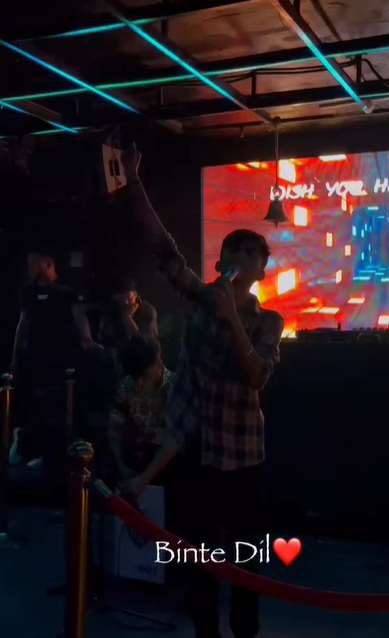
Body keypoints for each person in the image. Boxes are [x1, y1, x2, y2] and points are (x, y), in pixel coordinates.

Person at [120, 145, 284, 638]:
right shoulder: (198, 298)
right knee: (197, 554)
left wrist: (232, 317)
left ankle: (245, 631)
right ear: (220, 262)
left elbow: (256, 376)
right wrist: (132, 178)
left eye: (250, 254)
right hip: (197, 454)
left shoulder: (270, 321)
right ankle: (205, 631)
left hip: (243, 456)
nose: (239, 258)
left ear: (261, 271)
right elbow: (163, 247)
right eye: (232, 251)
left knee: (246, 556)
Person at [10, 247, 91, 469]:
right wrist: (15, 355)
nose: (30, 268)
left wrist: (86, 340)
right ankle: (25, 446)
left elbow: (79, 316)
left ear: (48, 263)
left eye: (34, 263)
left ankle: (50, 455)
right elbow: (22, 324)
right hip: (32, 359)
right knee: (32, 406)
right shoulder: (29, 292)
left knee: (55, 408)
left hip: (57, 361)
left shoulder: (65, 291)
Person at [108, 336, 175, 483]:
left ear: (158, 361)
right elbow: (114, 431)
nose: (139, 383)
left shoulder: (176, 389)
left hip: (169, 468)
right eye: (135, 377)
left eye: (144, 376)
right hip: (132, 466)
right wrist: (121, 468)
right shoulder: (126, 387)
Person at [98, 278, 158, 350]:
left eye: (129, 297)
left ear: (135, 295)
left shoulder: (147, 311)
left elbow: (144, 344)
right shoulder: (112, 311)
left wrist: (128, 318)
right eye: (121, 299)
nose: (126, 302)